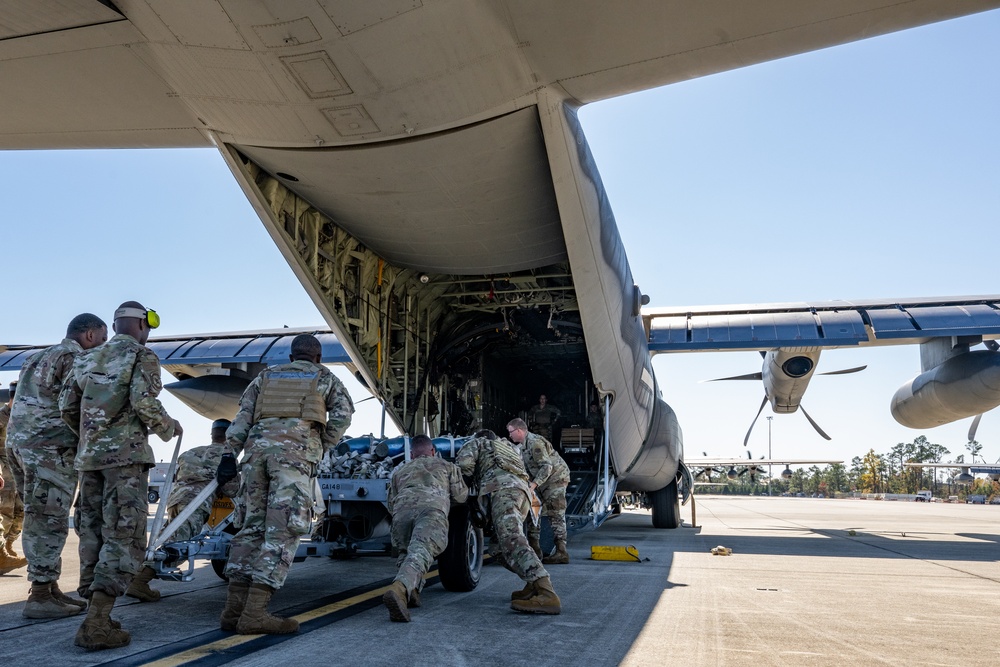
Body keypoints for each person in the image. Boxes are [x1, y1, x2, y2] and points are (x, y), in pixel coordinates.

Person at [60, 302, 182, 651]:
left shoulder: (86, 357)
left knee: (93, 531)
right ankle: (97, 622)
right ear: (143, 325)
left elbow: (67, 407)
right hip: (125, 462)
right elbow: (144, 402)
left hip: (91, 460)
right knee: (123, 534)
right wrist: (167, 427)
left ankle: (96, 609)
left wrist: (91, 439)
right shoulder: (141, 356)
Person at [220, 333, 353, 635]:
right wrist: (320, 443)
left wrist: (229, 453)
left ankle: (233, 611)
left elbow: (242, 417)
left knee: (250, 527)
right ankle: (254, 614)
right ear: (318, 357)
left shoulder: (266, 377)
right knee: (283, 530)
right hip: (292, 460)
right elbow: (343, 415)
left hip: (255, 456)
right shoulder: (324, 376)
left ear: (291, 357)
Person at [6, 314, 107, 618]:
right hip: (50, 448)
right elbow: (79, 404)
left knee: (39, 517)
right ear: (89, 335)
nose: (101, 346)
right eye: (101, 340)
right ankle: (39, 596)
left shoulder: (37, 357)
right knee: (48, 520)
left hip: (21, 445)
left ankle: (48, 588)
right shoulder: (75, 358)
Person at [455, 429, 560, 615]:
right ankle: (532, 583)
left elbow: (464, 467)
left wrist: (465, 498)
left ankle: (546, 593)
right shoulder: (509, 447)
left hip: (503, 491)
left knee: (512, 539)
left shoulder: (477, 443)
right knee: (497, 547)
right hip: (523, 494)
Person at [383, 434, 468, 622]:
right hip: (431, 510)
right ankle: (399, 588)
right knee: (420, 552)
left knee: (406, 553)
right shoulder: (447, 467)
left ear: (412, 455)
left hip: (402, 512)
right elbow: (461, 497)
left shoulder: (400, 471)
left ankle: (411, 592)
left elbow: (391, 503)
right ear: (433, 451)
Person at [507, 418, 571, 564]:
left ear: (519, 431)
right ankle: (535, 550)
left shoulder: (535, 443)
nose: (510, 435)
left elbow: (546, 466)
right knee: (534, 510)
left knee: (556, 513)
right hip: (541, 482)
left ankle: (562, 552)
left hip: (555, 479)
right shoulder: (522, 446)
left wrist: (534, 485)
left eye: (511, 432)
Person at [164, 419, 238, 541]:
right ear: (229, 435)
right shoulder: (226, 457)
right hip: (194, 505)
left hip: (174, 502)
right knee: (178, 549)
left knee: (168, 542)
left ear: (212, 435)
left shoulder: (188, 453)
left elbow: (177, 478)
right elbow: (231, 491)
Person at [0, 381, 28, 574]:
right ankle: (1, 554)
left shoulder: (25, 417)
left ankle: (8, 546)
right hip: (4, 473)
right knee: (5, 512)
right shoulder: (1, 417)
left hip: (21, 473)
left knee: (21, 512)